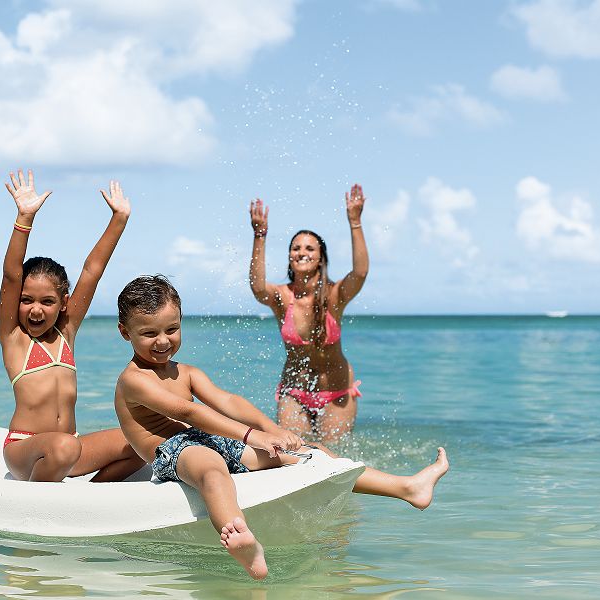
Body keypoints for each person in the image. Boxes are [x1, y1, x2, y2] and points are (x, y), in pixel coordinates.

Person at [115, 275, 448, 580]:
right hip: (172, 450)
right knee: (211, 470)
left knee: (310, 455)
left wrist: (270, 430)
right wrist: (251, 435)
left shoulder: (185, 371)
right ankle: (241, 539)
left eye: (171, 329)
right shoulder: (133, 381)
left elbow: (228, 401)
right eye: (149, 333)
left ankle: (407, 488)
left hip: (207, 440)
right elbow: (190, 411)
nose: (162, 341)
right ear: (125, 332)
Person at [0, 169, 143, 483]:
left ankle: (91, 494)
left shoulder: (67, 331)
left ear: (64, 302)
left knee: (140, 440)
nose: (35, 310)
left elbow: (92, 271)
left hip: (68, 447)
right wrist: (24, 218)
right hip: (25, 449)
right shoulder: (13, 337)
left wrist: (119, 218)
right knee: (64, 447)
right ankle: (37, 506)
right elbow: (11, 275)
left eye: (47, 302)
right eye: (26, 300)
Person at [248, 185, 368, 444]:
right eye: (296, 248)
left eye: (310, 248)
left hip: (337, 394)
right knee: (292, 453)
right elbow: (258, 288)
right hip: (295, 392)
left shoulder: (335, 296)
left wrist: (355, 223)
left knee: (334, 461)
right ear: (290, 257)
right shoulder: (282, 297)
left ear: (321, 258)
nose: (302, 252)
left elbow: (359, 274)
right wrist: (260, 235)